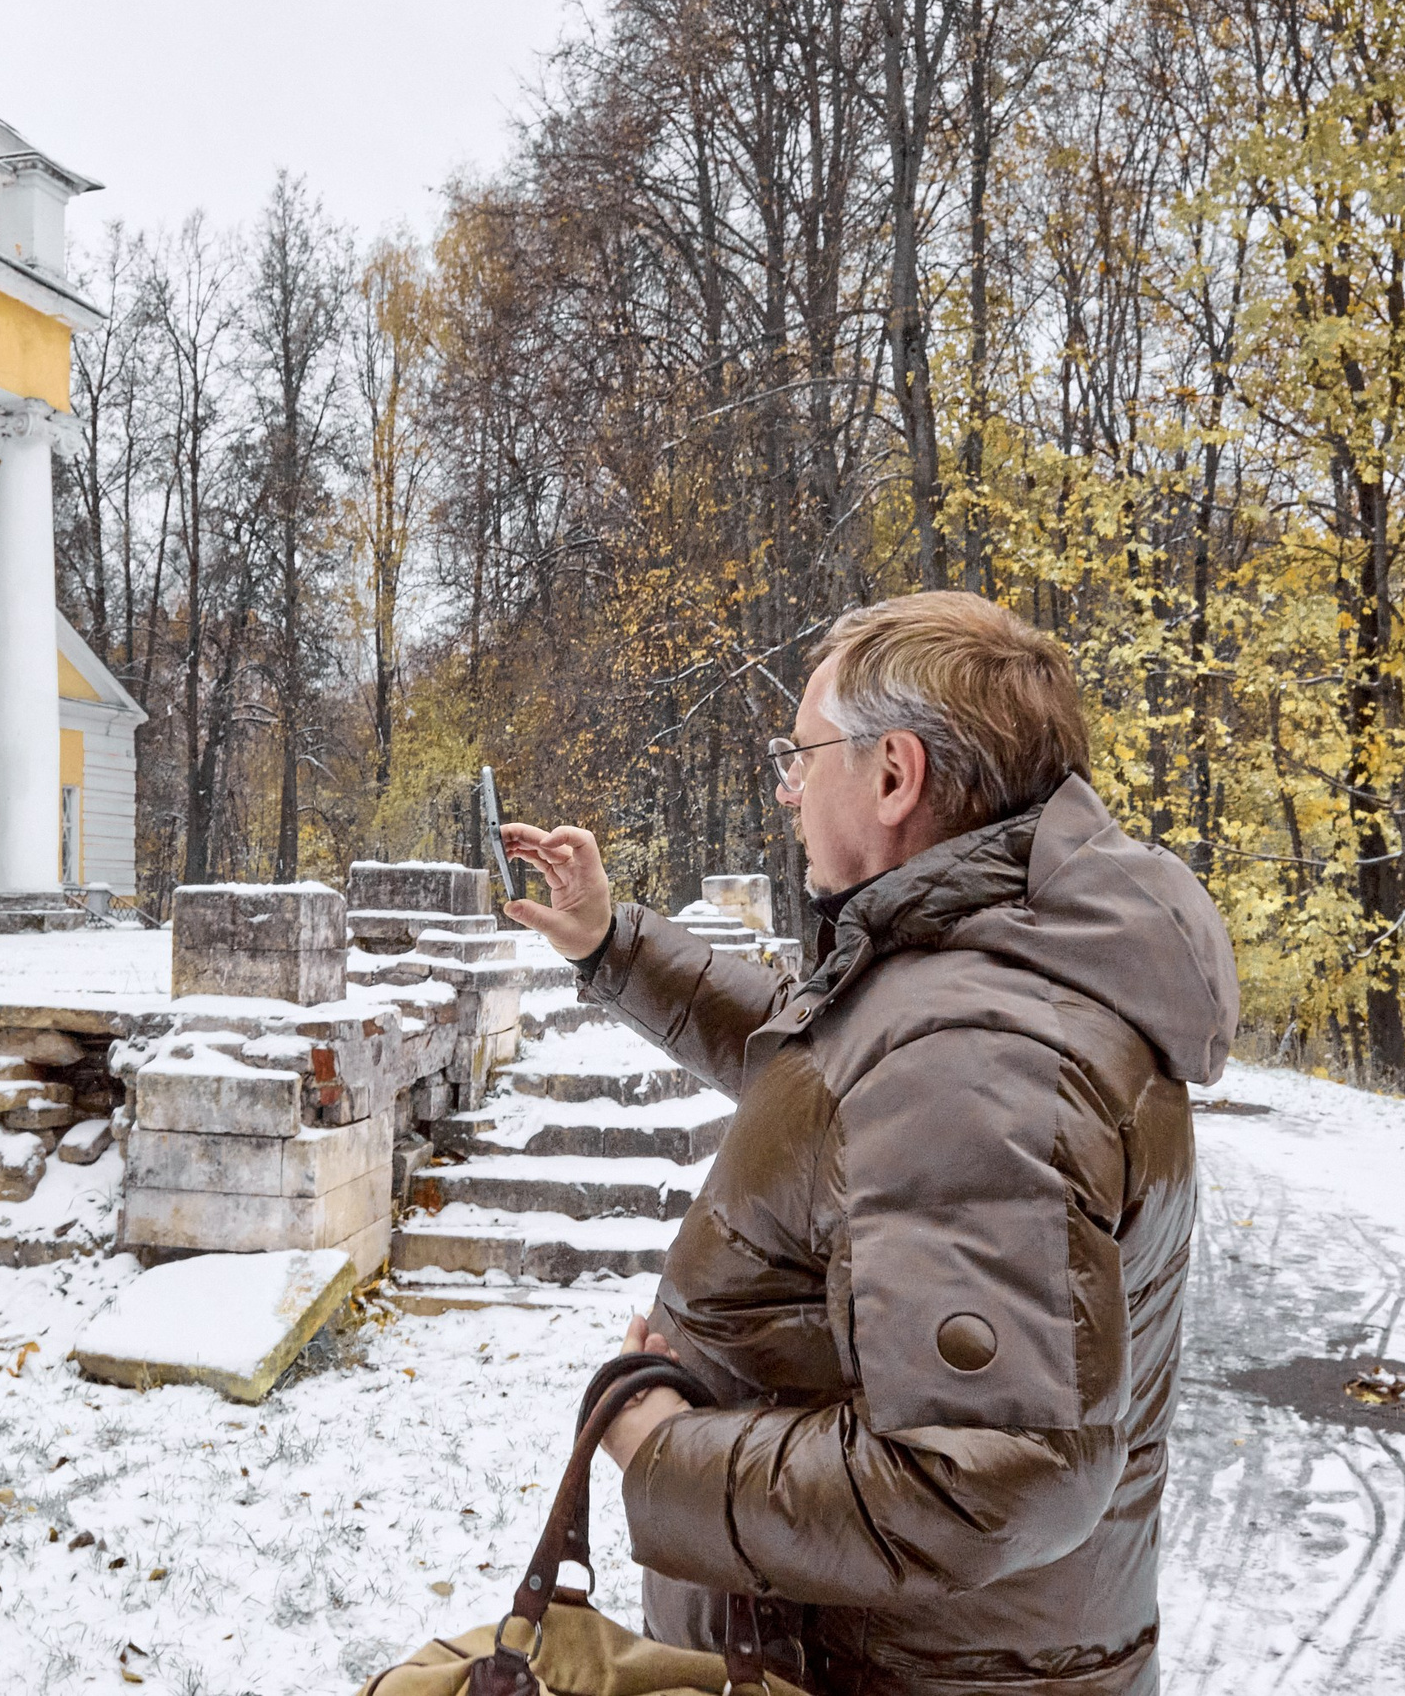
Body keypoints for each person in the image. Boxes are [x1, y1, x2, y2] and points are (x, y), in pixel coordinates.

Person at [500, 591, 1238, 1696]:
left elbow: (982, 1479)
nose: (787, 787)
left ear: (894, 775)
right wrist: (614, 942)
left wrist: (664, 1450)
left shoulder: (975, 1055)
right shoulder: (983, 972)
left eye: (800, 756)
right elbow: (833, 1063)